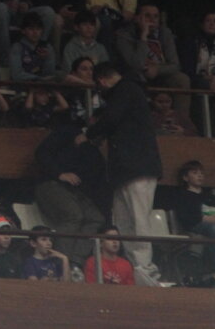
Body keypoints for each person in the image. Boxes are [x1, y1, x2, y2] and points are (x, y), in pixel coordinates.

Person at [81, 62, 162, 279]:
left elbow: (111, 118)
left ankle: (144, 267)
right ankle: (135, 267)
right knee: (124, 221)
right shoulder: (129, 92)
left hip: (137, 166)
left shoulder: (126, 89)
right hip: (127, 169)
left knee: (138, 220)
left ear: (101, 81)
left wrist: (89, 133)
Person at [34, 121, 106, 264]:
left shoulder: (91, 147)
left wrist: (86, 146)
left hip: (75, 191)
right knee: (73, 215)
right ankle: (60, 262)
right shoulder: (67, 131)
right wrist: (60, 174)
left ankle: (75, 262)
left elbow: (97, 168)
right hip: (50, 184)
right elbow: (41, 153)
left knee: (96, 219)